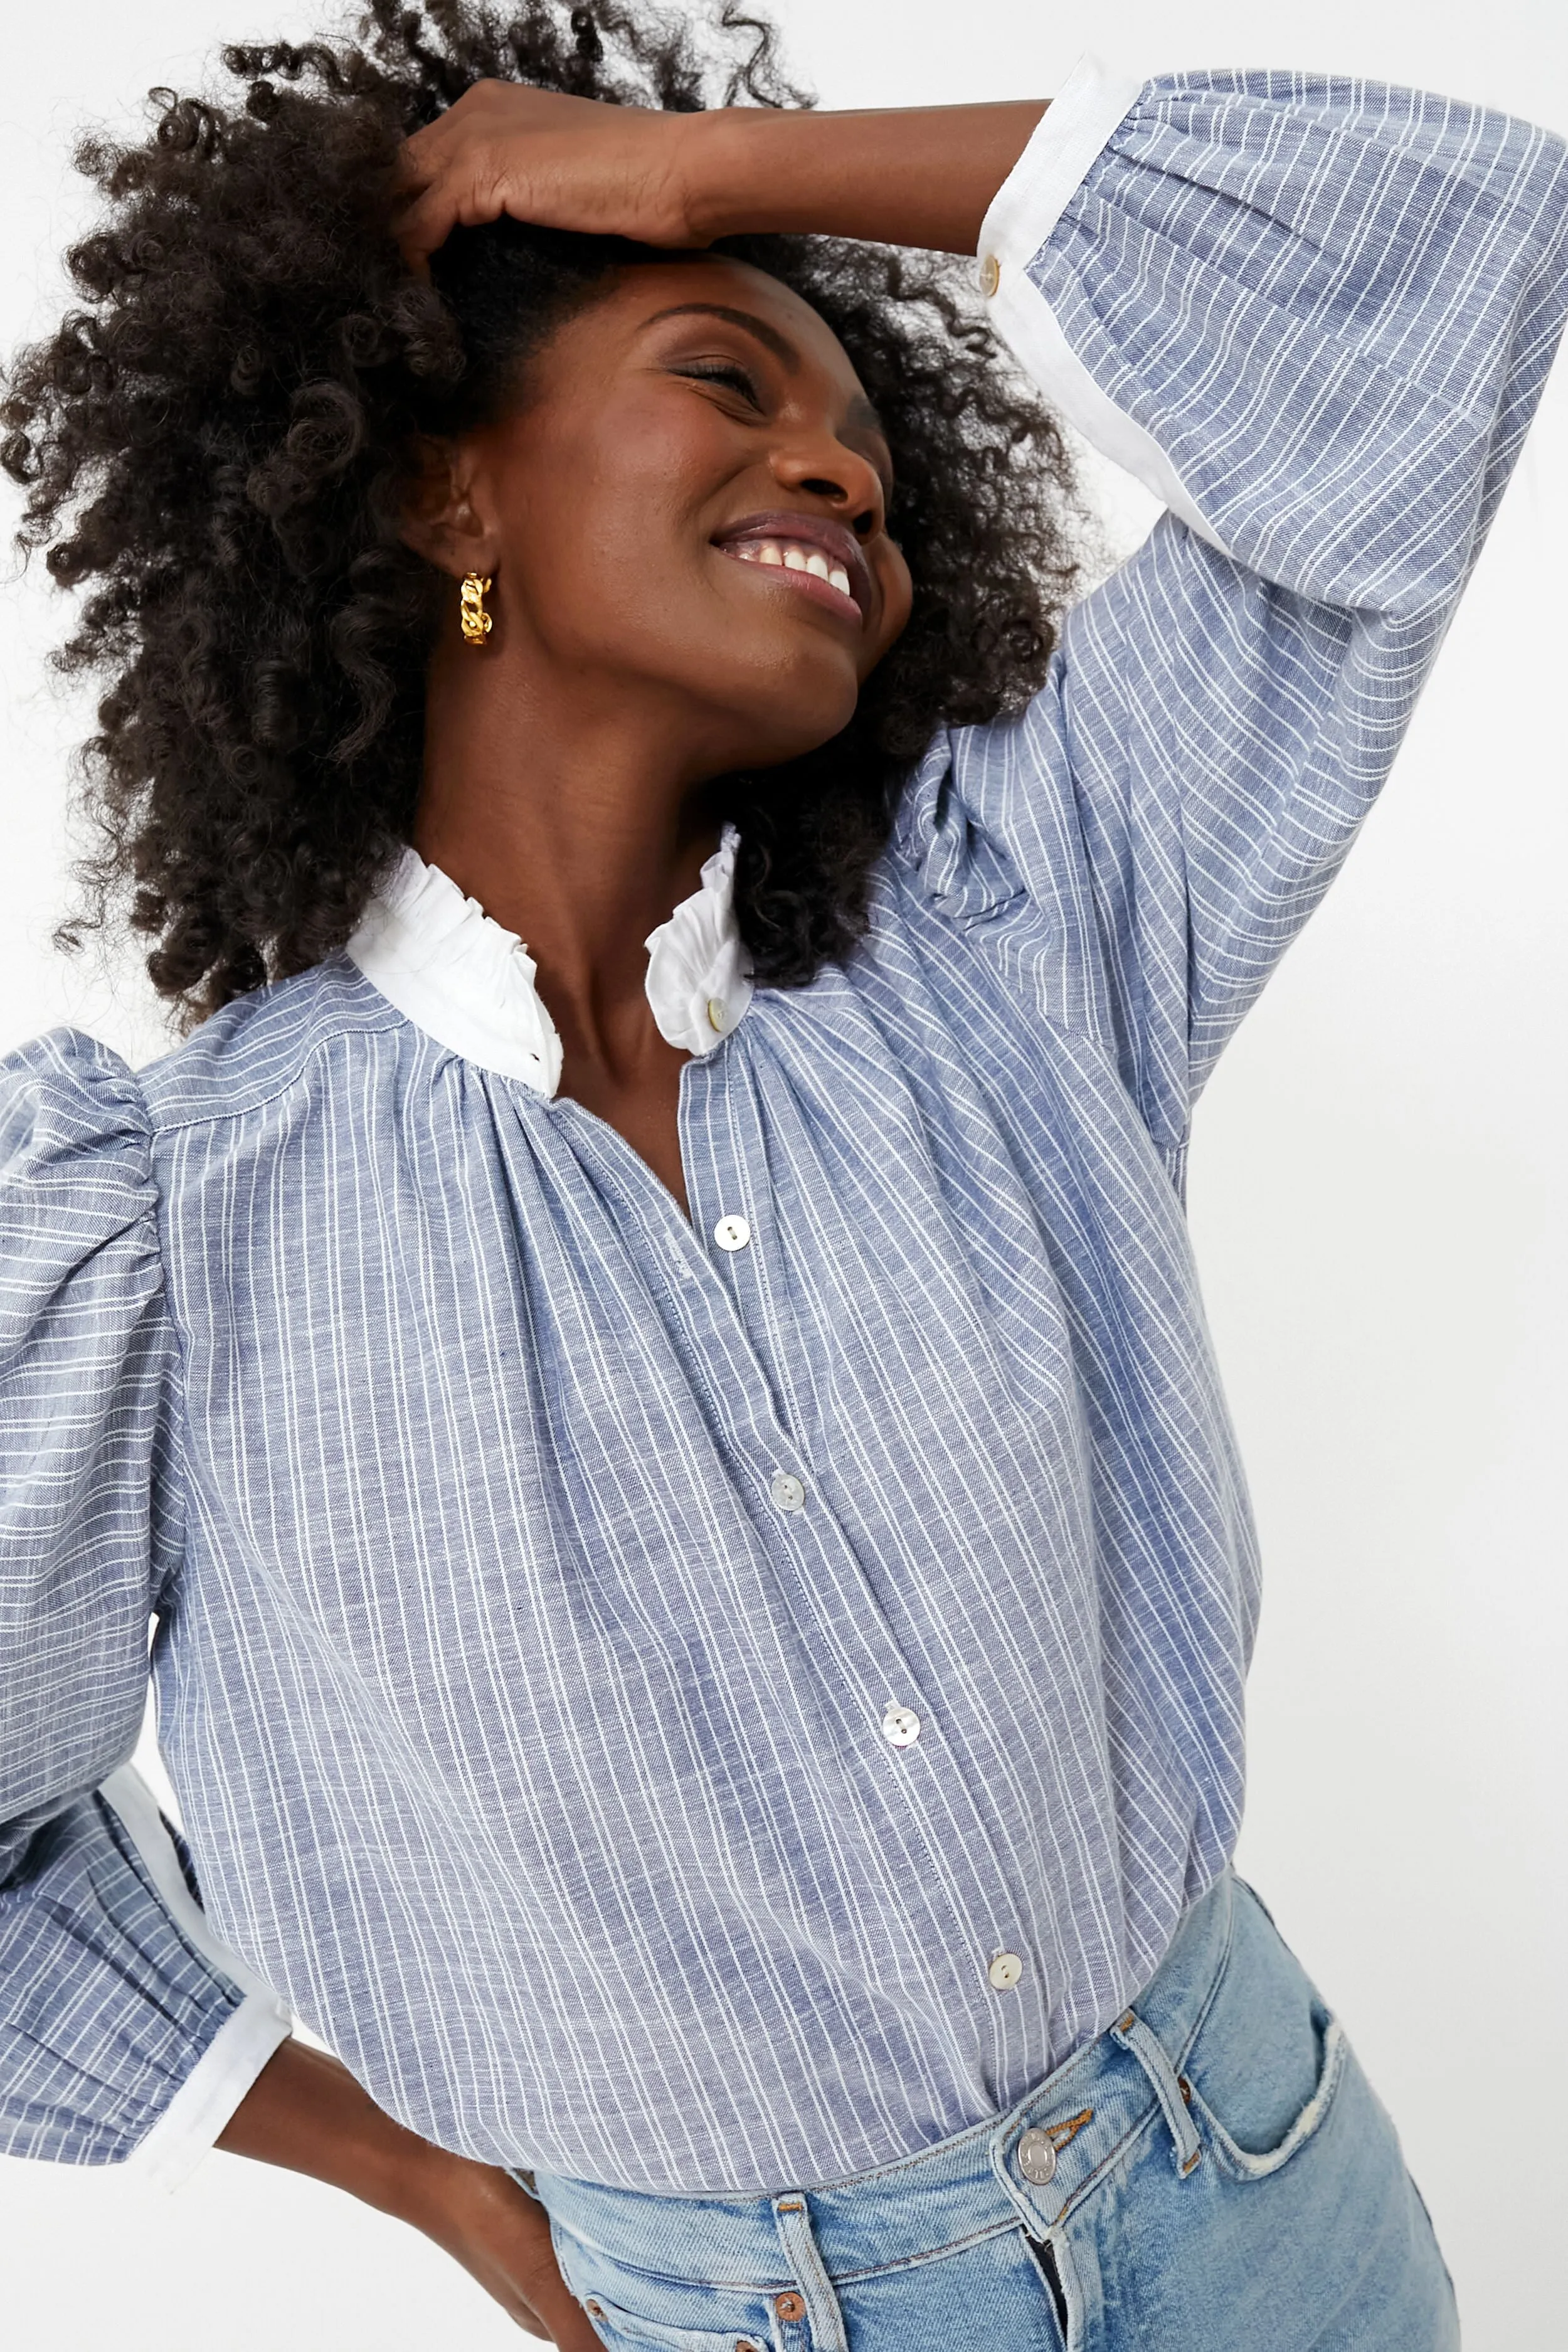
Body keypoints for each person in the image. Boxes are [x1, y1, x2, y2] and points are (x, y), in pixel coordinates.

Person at [2, 3, 1563, 2343]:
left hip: (1267, 2192)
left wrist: (717, 175)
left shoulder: (1019, 934)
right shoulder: (179, 1222)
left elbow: (1451, 274)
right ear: (445, 489)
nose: (840, 469)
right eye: (729, 380)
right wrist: (405, 2166)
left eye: (870, 448)